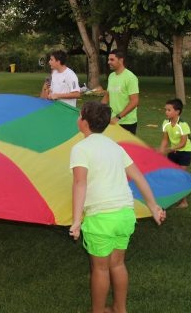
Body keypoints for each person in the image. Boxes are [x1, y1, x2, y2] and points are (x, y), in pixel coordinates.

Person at [69, 102, 165, 313]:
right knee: (117, 264)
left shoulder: (80, 149)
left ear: (84, 122)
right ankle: (120, 309)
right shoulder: (115, 146)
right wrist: (153, 206)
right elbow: (138, 176)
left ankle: (99, 310)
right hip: (124, 214)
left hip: (102, 218)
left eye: (79, 115)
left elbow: (80, 183)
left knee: (100, 269)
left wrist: (76, 220)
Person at [159, 98, 191, 208]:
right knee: (171, 175)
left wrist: (168, 149)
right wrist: (161, 150)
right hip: (173, 151)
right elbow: (165, 139)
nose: (166, 112)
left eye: (169, 110)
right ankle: (171, 197)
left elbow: (183, 143)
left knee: (180, 176)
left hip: (185, 152)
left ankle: (184, 201)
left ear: (177, 111)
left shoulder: (183, 125)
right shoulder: (165, 123)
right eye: (166, 110)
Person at [102, 50, 139, 134]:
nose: (108, 62)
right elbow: (107, 96)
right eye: (108, 59)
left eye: (112, 60)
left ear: (121, 60)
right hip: (112, 121)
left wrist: (118, 117)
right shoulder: (111, 76)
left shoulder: (130, 77)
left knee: (125, 147)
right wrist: (97, 111)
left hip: (127, 123)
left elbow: (134, 101)